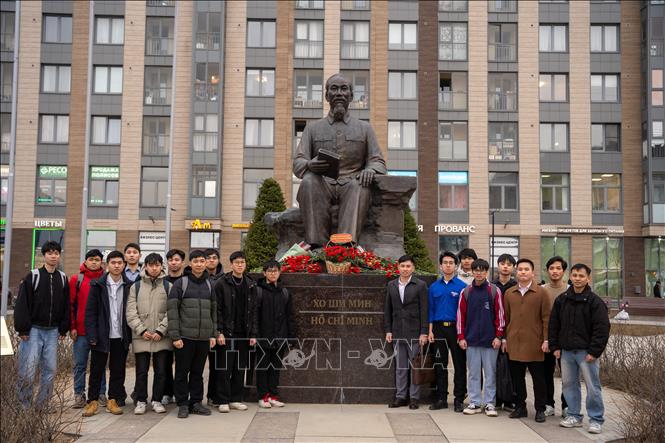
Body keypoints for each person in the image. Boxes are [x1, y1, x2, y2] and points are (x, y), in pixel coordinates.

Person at [293, 73, 387, 247]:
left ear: (351, 95)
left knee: (360, 184)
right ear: (327, 95)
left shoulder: (364, 128)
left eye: (344, 89)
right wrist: (309, 164)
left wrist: (370, 170)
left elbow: (378, 161)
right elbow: (298, 162)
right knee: (308, 181)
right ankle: (315, 244)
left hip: (351, 182)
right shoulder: (312, 128)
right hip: (323, 184)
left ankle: (345, 245)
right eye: (334, 89)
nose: (339, 93)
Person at [548, 263, 610, 435]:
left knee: (593, 387)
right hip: (566, 352)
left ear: (588, 278)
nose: (577, 278)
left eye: (581, 276)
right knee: (569, 385)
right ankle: (574, 416)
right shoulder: (562, 299)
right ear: (570, 276)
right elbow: (554, 324)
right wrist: (555, 346)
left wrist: (594, 351)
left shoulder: (595, 302)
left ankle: (596, 420)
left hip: (586, 353)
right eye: (575, 275)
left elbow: (602, 328)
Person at [14, 241, 70, 408]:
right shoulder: (34, 275)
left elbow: (65, 305)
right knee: (28, 372)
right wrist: (23, 328)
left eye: (56, 253)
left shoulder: (62, 277)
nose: (53, 256)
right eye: (50, 253)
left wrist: (63, 328)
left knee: (50, 371)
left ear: (59, 255)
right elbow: (22, 303)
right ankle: (23, 406)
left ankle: (42, 405)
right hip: (33, 331)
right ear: (44, 255)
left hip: (53, 331)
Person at [167, 250, 219, 419]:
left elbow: (213, 312)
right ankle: (182, 403)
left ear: (206, 264)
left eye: (202, 261)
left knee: (198, 373)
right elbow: (172, 311)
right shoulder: (180, 283)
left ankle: (196, 402)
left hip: (203, 338)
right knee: (182, 372)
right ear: (190, 264)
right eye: (195, 261)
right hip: (185, 337)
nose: (199, 264)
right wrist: (175, 336)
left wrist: (213, 334)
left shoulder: (210, 284)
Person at [82, 251, 132, 417]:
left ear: (124, 265)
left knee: (118, 370)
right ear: (107, 265)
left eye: (119, 262)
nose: (117, 265)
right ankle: (92, 401)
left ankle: (113, 400)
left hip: (120, 335)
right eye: (113, 262)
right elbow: (90, 313)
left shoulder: (129, 285)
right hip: (102, 335)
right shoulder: (97, 285)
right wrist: (92, 335)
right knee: (96, 369)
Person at [502, 258, 550, 423]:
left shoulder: (542, 293)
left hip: (535, 343)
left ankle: (540, 409)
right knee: (517, 378)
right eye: (520, 269)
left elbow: (546, 319)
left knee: (538, 379)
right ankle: (520, 407)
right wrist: (505, 339)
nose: (522, 272)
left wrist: (546, 340)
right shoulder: (509, 293)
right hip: (514, 342)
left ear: (532, 272)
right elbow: (506, 319)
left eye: (526, 269)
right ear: (516, 272)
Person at [456, 259, 505, 417]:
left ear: (487, 272)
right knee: (474, 373)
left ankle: (490, 403)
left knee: (490, 373)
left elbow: (500, 315)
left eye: (482, 270)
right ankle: (475, 402)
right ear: (472, 271)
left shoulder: (494, 291)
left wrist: (498, 336)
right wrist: (461, 336)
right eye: (476, 270)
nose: (479, 273)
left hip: (490, 341)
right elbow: (460, 316)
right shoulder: (466, 292)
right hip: (471, 340)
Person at [125, 253, 172, 415]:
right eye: (151, 265)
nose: (154, 268)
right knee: (141, 371)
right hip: (141, 336)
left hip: (161, 336)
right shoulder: (135, 286)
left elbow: (172, 311)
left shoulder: (168, 286)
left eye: (157, 265)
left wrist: (161, 330)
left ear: (161, 266)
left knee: (161, 371)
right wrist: (142, 330)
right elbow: (131, 312)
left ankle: (157, 400)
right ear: (145, 266)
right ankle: (141, 400)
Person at [213, 251, 257, 412]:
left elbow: (253, 312)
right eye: (237, 262)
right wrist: (219, 331)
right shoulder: (221, 283)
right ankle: (222, 399)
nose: (240, 265)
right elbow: (216, 309)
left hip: (244, 333)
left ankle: (235, 398)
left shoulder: (250, 284)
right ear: (231, 264)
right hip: (227, 333)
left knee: (240, 367)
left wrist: (253, 334)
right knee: (225, 368)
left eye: (243, 262)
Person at [384, 255, 429, 410]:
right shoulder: (391, 285)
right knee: (400, 367)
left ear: (413, 268)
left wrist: (423, 332)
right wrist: (388, 330)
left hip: (415, 332)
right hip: (397, 332)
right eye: (402, 266)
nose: (405, 269)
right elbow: (388, 310)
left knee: (414, 366)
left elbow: (424, 310)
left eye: (408, 266)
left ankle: (414, 398)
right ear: (398, 267)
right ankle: (400, 397)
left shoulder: (420, 285)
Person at [251, 260, 296, 408]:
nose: (273, 273)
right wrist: (254, 335)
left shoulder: (284, 292)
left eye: (275, 271)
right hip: (263, 336)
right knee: (263, 367)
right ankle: (263, 396)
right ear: (264, 273)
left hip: (280, 337)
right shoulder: (258, 291)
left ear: (279, 272)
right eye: (270, 271)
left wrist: (291, 336)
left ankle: (273, 395)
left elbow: (290, 316)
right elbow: (254, 315)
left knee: (275, 367)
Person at [427, 251, 467, 412]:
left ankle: (459, 399)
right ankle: (442, 398)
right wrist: (430, 331)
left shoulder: (462, 287)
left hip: (456, 329)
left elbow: (465, 313)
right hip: (438, 329)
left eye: (451, 262)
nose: (448, 265)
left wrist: (462, 334)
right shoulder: (433, 287)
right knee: (440, 364)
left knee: (459, 365)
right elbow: (430, 310)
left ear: (456, 266)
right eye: (445, 262)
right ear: (440, 265)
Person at [70, 249, 107, 409]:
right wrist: (72, 326)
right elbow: (70, 305)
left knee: (100, 365)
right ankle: (79, 394)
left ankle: (100, 393)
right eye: (91, 259)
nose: (94, 262)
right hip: (81, 331)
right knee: (80, 365)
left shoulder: (105, 279)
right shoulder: (76, 279)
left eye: (97, 259)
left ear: (101, 262)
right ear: (85, 261)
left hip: (100, 332)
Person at [541, 256, 569, 417]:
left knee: (567, 375)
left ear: (563, 271)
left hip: (565, 339)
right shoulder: (542, 289)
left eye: (558, 268)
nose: (555, 271)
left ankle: (567, 406)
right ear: (547, 271)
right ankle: (548, 404)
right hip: (546, 338)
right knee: (546, 373)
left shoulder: (570, 289)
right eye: (552, 268)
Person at [491, 253, 517, 412]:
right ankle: (497, 399)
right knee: (495, 368)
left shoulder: (516, 287)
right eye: (502, 263)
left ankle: (510, 399)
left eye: (509, 264)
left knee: (512, 368)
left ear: (513, 267)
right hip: (494, 333)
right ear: (498, 266)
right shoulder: (491, 286)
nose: (505, 266)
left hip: (513, 333)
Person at [162, 248, 186, 405]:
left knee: (182, 364)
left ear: (182, 262)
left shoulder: (187, 281)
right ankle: (167, 392)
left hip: (182, 328)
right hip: (164, 328)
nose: (174, 262)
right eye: (171, 260)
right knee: (165, 363)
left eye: (177, 259)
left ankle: (180, 393)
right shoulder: (162, 281)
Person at [204, 247, 224, 406]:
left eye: (214, 257)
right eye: (208, 258)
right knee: (194, 367)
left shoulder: (225, 279)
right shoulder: (196, 278)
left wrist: (219, 331)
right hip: (200, 328)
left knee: (216, 366)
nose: (211, 260)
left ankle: (213, 396)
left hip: (217, 328)